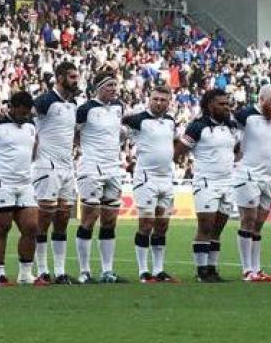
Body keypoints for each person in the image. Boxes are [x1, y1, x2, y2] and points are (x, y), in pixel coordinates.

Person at [177, 88, 240, 283]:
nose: (226, 107)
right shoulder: (197, 126)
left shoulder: (231, 126)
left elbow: (236, 149)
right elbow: (179, 150)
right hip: (206, 182)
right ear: (209, 105)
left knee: (218, 228)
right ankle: (201, 270)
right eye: (221, 104)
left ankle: (212, 268)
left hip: (227, 182)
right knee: (205, 225)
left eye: (227, 104)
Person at [0, 91, 39, 287]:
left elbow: (33, 150)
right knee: (2, 227)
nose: (24, 116)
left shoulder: (31, 125)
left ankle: (26, 274)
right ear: (11, 107)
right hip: (0, 182)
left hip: (24, 181)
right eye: (20, 112)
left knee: (31, 227)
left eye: (27, 113)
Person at [73, 72, 125, 284]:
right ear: (99, 87)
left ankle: (107, 270)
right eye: (110, 85)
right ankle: (84, 271)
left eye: (115, 85)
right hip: (92, 168)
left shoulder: (118, 108)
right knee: (89, 217)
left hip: (113, 168)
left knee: (110, 220)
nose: (114, 89)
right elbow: (74, 134)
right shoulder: (85, 109)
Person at [125, 85, 178, 283]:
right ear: (149, 99)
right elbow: (120, 128)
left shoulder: (171, 121)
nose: (158, 103)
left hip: (166, 179)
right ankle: (143, 271)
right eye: (155, 99)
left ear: (168, 102)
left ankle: (159, 270)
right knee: (146, 224)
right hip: (146, 179)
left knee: (162, 225)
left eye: (163, 100)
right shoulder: (138, 120)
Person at [33, 62, 80, 284]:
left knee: (62, 218)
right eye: (72, 77)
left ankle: (60, 271)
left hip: (67, 168)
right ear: (60, 78)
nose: (75, 81)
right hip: (46, 166)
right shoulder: (45, 101)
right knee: (44, 218)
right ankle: (42, 270)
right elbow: (26, 117)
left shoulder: (73, 104)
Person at [232, 85, 271, 283]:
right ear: (261, 100)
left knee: (259, 224)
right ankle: (246, 270)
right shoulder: (246, 116)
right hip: (248, 174)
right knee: (248, 220)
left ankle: (257, 268)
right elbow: (230, 124)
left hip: (268, 177)